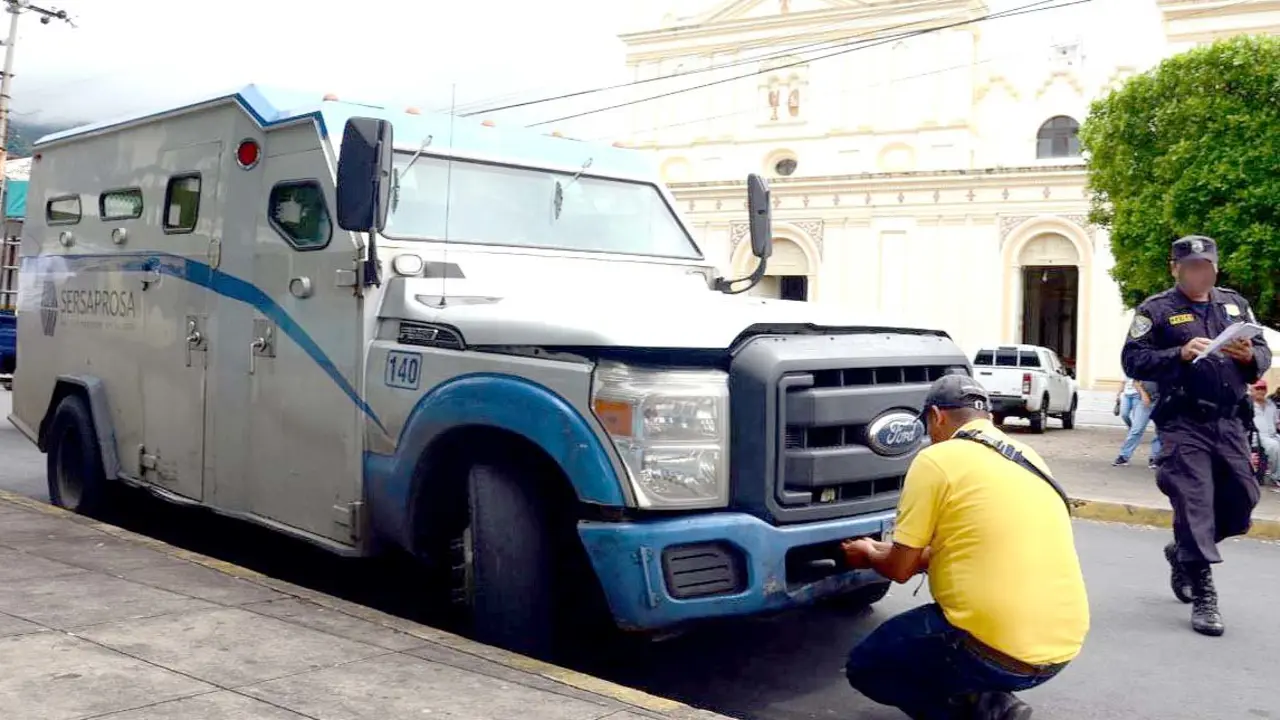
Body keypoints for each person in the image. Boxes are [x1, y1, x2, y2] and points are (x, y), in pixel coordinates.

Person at [843, 374, 1089, 720]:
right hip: (1061, 650)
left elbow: (899, 570)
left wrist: (867, 553)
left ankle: (978, 713)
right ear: (987, 417)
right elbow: (970, 545)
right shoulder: (1028, 456)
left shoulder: (936, 459)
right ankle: (994, 703)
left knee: (866, 667)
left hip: (995, 653)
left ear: (936, 417)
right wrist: (893, 554)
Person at [1120, 234, 1271, 636]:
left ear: (1215, 268)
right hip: (1184, 423)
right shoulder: (1157, 310)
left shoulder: (1234, 304)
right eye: (1190, 267)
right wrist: (1180, 354)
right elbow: (1133, 359)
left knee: (1242, 502)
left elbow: (1262, 352)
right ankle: (1204, 593)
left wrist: (1249, 357)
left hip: (1231, 422)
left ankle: (1182, 552)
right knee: (1195, 502)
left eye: (1205, 266)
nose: (1199, 273)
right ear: (1175, 268)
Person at [1112, 379, 1163, 469]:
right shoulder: (1147, 366)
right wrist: (1143, 394)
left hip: (1162, 401)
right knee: (1137, 429)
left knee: (1160, 431)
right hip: (1145, 400)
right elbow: (1136, 381)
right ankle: (1124, 456)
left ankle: (1155, 457)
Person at [1251, 379, 1279, 488]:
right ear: (1252, 390)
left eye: (1263, 388)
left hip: (1272, 434)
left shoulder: (1271, 404)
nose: (1260, 391)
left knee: (1275, 443)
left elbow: (1276, 422)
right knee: (1275, 447)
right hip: (1258, 436)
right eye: (1257, 388)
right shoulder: (1249, 404)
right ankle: (1276, 476)